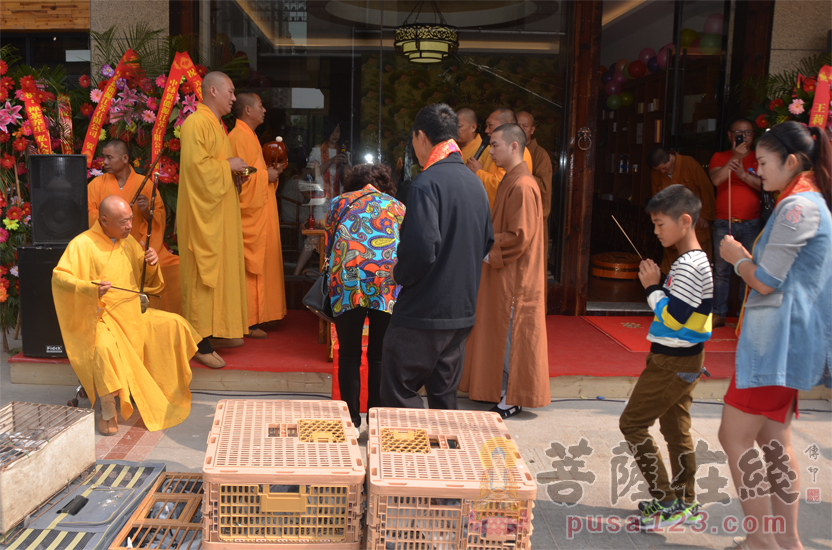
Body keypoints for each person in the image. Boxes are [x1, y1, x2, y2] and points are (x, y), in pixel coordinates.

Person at [717, 122, 831, 550]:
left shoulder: (797, 207)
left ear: (792, 161)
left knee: (734, 436)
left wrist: (737, 257)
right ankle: (788, 541)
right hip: (788, 342)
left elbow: (766, 281)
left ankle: (762, 540)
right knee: (772, 440)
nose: (757, 170)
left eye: (763, 162)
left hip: (776, 345)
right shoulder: (808, 200)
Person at [52, 196, 201, 435]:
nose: (130, 226)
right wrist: (90, 289)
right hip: (101, 316)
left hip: (132, 313)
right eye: (123, 222)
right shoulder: (82, 244)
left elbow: (146, 281)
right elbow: (60, 277)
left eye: (130, 219)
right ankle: (108, 406)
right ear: (104, 220)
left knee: (176, 324)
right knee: (103, 347)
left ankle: (165, 388)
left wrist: (152, 263)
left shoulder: (129, 242)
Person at [380, 103, 493, 410]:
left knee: (399, 390)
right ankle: (446, 456)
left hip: (423, 311)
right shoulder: (475, 183)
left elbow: (421, 250)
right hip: (461, 312)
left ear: (421, 137)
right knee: (444, 397)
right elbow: (487, 242)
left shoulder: (426, 183)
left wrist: (397, 274)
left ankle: (409, 457)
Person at [619, 184, 712, 530]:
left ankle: (667, 499)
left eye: (660, 224)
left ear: (685, 221)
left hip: (672, 361)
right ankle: (685, 499)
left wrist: (652, 287)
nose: (656, 231)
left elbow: (673, 318)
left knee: (632, 423)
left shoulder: (688, 265)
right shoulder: (694, 260)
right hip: (685, 358)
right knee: (676, 429)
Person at [460, 123, 549, 419]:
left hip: (515, 277)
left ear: (514, 146)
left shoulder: (523, 184)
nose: (491, 152)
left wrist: (484, 246)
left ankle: (513, 396)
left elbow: (519, 236)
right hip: (504, 272)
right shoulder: (512, 180)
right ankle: (501, 391)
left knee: (512, 333)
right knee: (501, 331)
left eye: (495, 145)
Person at [325, 164, 405, 427]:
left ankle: (351, 422)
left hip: (346, 284)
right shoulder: (397, 206)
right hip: (386, 284)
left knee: (349, 353)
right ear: (385, 185)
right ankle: (377, 421)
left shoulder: (338, 203)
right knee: (379, 354)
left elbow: (329, 244)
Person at [178, 71, 249, 361]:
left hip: (218, 212)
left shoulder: (216, 125)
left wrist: (235, 176)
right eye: (231, 92)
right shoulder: (196, 123)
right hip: (201, 216)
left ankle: (214, 330)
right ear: (214, 91)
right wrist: (227, 166)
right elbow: (197, 170)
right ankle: (197, 340)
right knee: (201, 276)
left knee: (219, 274)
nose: (234, 98)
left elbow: (216, 166)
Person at [87, 139, 180, 314]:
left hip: (143, 246)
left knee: (175, 267)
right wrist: (110, 216)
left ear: (124, 158)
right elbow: (89, 212)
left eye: (109, 157)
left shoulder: (145, 184)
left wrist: (147, 211)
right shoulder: (96, 185)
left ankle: (165, 317)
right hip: (109, 247)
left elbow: (159, 216)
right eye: (103, 157)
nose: (104, 162)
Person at [229, 92, 287, 338]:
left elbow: (253, 171)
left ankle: (259, 315)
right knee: (249, 267)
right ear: (248, 111)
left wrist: (271, 172)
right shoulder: (237, 137)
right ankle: (248, 320)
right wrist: (266, 176)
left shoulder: (250, 136)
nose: (264, 110)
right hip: (249, 215)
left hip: (262, 210)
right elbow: (238, 180)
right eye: (261, 106)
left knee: (263, 264)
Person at [708, 118, 762, 328]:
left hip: (752, 223)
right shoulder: (720, 156)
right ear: (730, 135)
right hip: (724, 222)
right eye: (738, 132)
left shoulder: (760, 158)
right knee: (721, 271)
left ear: (753, 135)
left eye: (747, 132)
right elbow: (716, 180)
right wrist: (734, 161)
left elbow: (766, 187)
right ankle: (718, 313)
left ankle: (743, 315)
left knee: (746, 269)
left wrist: (745, 177)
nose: (743, 136)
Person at [295, 117, 348, 275]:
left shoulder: (344, 152)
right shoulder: (318, 150)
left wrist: (346, 164)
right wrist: (331, 161)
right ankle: (297, 273)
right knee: (313, 237)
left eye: (337, 131)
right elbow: (312, 173)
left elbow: (348, 178)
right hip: (321, 199)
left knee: (339, 237)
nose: (335, 134)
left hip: (339, 200)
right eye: (332, 131)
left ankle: (330, 274)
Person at [649, 147, 716, 272]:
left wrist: (705, 215)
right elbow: (657, 200)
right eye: (659, 170)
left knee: (695, 261)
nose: (662, 172)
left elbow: (706, 189)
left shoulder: (689, 164)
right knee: (672, 262)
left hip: (695, 222)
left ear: (670, 157)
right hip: (672, 224)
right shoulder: (656, 173)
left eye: (664, 167)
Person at [465, 107, 534, 208]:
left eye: (490, 125)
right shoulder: (492, 151)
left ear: (507, 124)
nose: (486, 130)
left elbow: (501, 187)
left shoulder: (517, 151)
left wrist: (478, 172)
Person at [517, 110, 554, 281]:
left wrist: (520, 172)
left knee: (531, 275)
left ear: (532, 130)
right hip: (514, 220)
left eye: (525, 126)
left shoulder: (540, 155)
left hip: (533, 220)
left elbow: (544, 188)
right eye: (517, 125)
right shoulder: (508, 151)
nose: (521, 129)